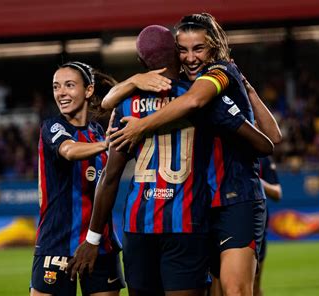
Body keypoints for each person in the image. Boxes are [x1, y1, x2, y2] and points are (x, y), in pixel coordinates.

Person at [67, 25, 273, 296]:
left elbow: (110, 176)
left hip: (138, 226)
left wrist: (92, 239)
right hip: (186, 224)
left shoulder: (126, 105)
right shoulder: (200, 97)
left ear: (141, 62)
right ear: (177, 54)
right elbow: (264, 142)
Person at [30, 61, 124, 296]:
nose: (61, 92)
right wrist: (106, 145)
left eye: (69, 85)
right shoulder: (52, 127)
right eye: (56, 87)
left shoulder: (98, 132)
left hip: (101, 246)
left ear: (88, 90)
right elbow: (69, 151)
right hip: (57, 245)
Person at [254, 156, 282, 296]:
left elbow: (277, 193)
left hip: (256, 224)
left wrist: (257, 180)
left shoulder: (263, 158)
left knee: (254, 283)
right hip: (221, 220)